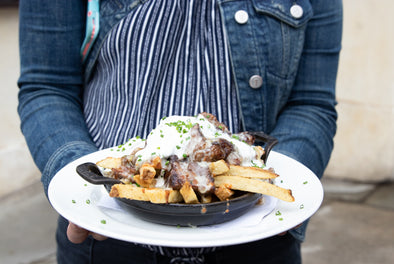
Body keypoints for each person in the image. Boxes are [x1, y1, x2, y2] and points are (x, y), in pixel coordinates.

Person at [17, 0, 342, 263]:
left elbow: (310, 103)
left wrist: (279, 191)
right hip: (106, 237)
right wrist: (82, 187)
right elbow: (48, 86)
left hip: (258, 240)